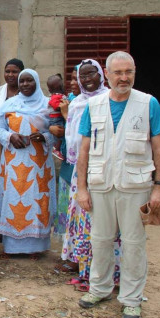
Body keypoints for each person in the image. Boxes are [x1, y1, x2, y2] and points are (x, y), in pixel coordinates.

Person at [76, 51, 160, 318]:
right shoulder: (94, 106)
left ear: (134, 72)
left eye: (128, 72)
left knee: (133, 244)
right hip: (100, 184)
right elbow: (83, 151)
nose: (124, 77)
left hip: (135, 185)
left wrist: (158, 187)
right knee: (101, 241)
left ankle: (131, 300)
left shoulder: (148, 103)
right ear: (107, 74)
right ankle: (100, 289)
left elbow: (159, 149)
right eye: (118, 73)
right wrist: (81, 189)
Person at [59, 60, 118, 280]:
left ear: (101, 74)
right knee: (82, 214)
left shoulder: (110, 99)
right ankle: (80, 260)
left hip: (106, 167)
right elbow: (71, 137)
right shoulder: (76, 104)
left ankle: (105, 267)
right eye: (81, 76)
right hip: (80, 168)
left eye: (90, 74)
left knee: (104, 215)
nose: (86, 80)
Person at [0, 69, 56, 258]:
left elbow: (58, 129)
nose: (26, 84)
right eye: (23, 81)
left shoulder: (47, 105)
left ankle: (35, 247)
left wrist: (44, 137)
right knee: (12, 199)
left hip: (39, 162)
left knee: (37, 201)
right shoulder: (9, 104)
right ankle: (10, 247)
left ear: (37, 82)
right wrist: (10, 136)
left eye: (30, 81)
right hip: (13, 162)